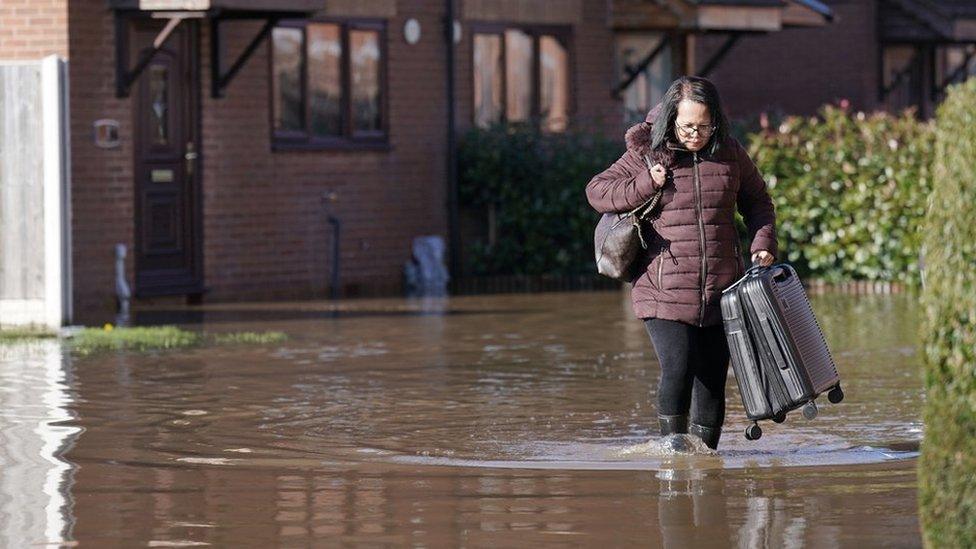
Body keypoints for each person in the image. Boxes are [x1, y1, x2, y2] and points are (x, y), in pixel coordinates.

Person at [584, 76, 777, 450]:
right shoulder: (647, 154)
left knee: (711, 379)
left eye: (706, 126)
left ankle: (706, 466)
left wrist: (763, 242)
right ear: (671, 119)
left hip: (723, 290)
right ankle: (673, 460)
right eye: (688, 126)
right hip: (662, 287)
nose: (696, 134)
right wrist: (645, 183)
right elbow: (598, 191)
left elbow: (758, 203)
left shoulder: (730, 154)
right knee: (679, 367)